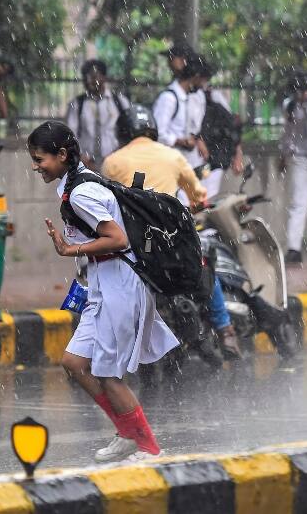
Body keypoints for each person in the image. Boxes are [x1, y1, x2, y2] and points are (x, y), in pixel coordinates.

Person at [28, 121, 179, 463]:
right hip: (102, 283)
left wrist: (71, 250)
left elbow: (117, 239)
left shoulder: (82, 192)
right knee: (75, 363)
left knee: (106, 373)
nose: (36, 166)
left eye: (40, 159)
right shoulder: (75, 183)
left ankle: (149, 448)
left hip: (119, 285)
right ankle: (127, 434)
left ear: (62, 155)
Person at [102, 105, 242, 359]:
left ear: (123, 132)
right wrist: (195, 203)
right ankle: (225, 330)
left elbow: (106, 204)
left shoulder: (112, 162)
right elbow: (199, 195)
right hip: (172, 243)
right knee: (206, 266)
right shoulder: (172, 156)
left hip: (133, 246)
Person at [189, 57, 244, 200]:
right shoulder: (185, 96)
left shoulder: (214, 97)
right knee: (193, 193)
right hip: (194, 158)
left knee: (207, 194)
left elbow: (233, 126)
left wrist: (237, 155)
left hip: (214, 159)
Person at [279, 70, 307, 266]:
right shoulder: (292, 106)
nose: (298, 96)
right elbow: (288, 133)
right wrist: (284, 154)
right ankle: (294, 248)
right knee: (298, 203)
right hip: (302, 158)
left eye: (300, 92)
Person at [65, 59, 130, 169]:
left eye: (93, 77)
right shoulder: (77, 104)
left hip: (116, 163)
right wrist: (80, 157)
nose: (89, 81)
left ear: (104, 78)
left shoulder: (119, 102)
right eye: (85, 78)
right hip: (86, 165)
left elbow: (129, 132)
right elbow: (69, 136)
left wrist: (118, 154)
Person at [152, 56, 201, 192]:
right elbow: (157, 133)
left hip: (183, 164)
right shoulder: (169, 98)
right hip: (168, 165)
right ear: (194, 77)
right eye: (201, 80)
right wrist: (180, 141)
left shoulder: (187, 98)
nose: (202, 85)